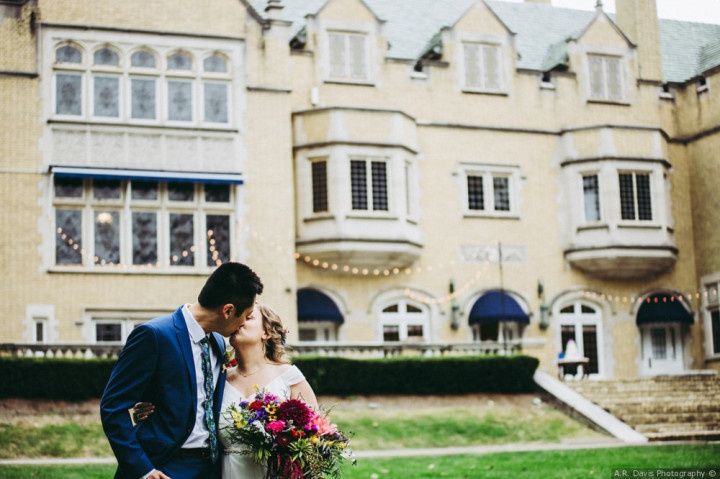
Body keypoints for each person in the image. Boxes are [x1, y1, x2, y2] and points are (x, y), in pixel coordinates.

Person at [100, 262, 263, 479]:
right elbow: (113, 406)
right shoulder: (154, 336)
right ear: (228, 310)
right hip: (165, 465)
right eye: (246, 315)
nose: (243, 323)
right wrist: (143, 469)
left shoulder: (218, 341)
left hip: (212, 469)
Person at [133, 304, 318, 479]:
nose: (240, 321)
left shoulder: (289, 376)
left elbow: (315, 436)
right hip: (227, 471)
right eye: (239, 315)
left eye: (249, 317)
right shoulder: (217, 378)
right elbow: (187, 405)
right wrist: (153, 409)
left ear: (267, 332)